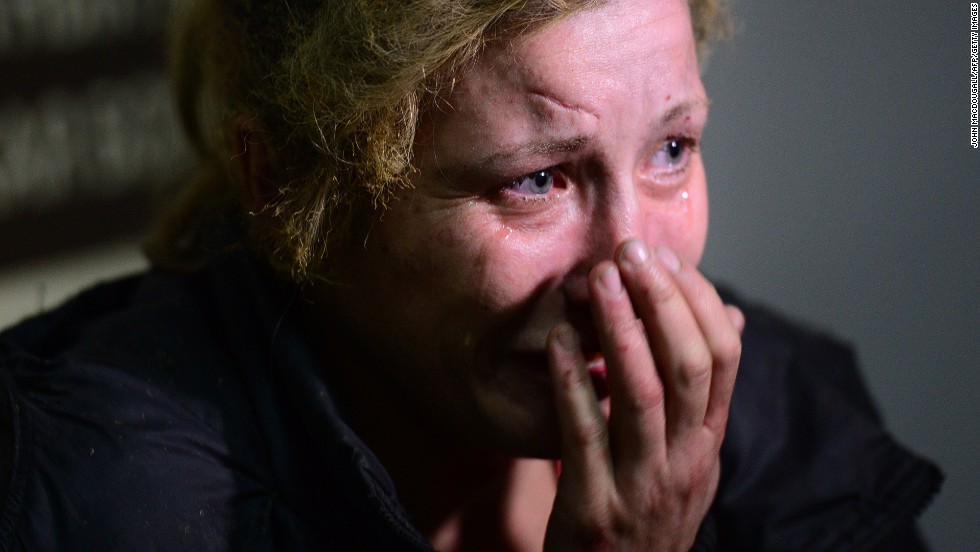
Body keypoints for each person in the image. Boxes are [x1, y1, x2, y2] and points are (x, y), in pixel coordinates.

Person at [0, 0, 941, 550]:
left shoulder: (790, 430)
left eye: (673, 148)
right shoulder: (102, 494)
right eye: (535, 179)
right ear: (288, 183)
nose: (635, 262)